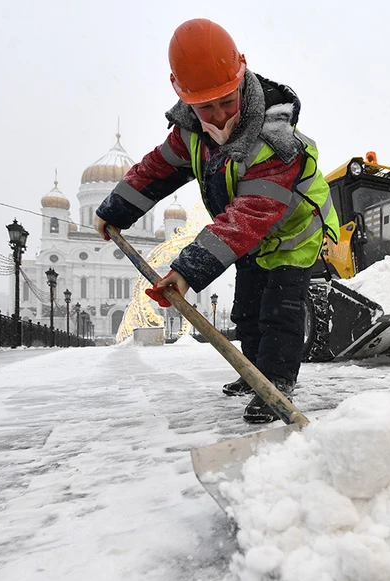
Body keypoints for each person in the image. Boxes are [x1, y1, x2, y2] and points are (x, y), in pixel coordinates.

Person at [93, 19, 339, 423]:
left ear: (241, 79)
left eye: (227, 100)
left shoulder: (276, 141)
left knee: (280, 311)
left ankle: (274, 386)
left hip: (293, 233)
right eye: (206, 105)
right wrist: (113, 210)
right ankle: (252, 372)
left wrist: (188, 270)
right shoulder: (191, 132)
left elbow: (251, 213)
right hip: (249, 237)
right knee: (246, 310)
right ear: (185, 98)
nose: (220, 114)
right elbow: (156, 171)